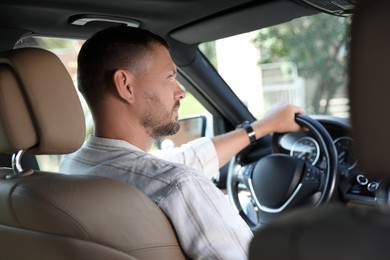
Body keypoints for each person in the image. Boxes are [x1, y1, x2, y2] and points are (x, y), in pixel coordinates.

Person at [59, 25, 304, 259]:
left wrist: (262, 127)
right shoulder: (179, 186)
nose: (181, 92)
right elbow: (175, 180)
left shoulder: (69, 171)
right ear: (125, 85)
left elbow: (175, 166)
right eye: (169, 76)